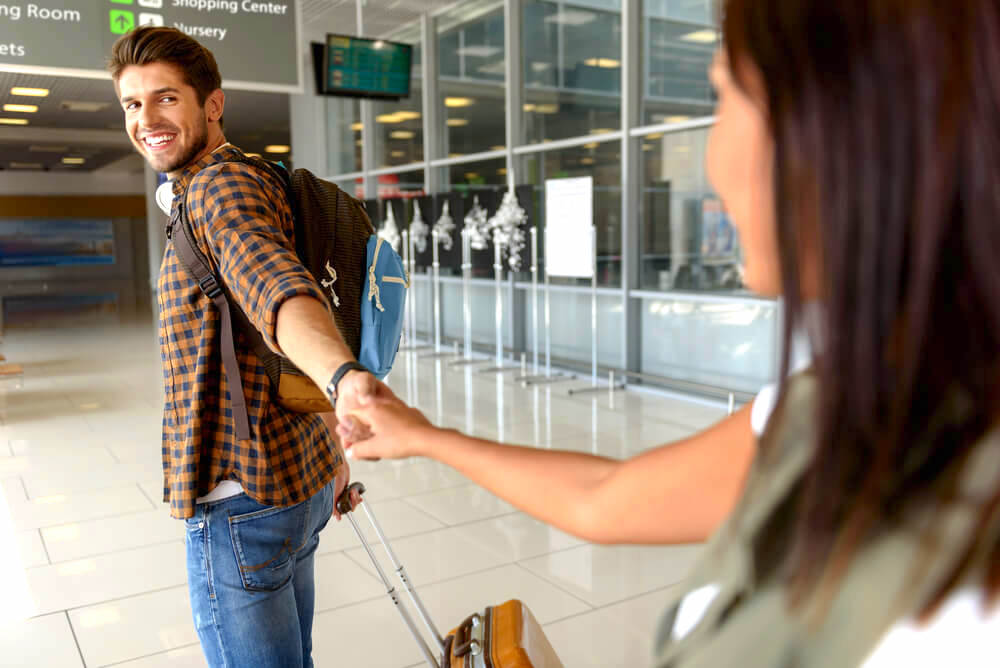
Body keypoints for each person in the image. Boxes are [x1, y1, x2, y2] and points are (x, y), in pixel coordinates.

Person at [342, 0, 1000, 665]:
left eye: (725, 95)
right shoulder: (846, 403)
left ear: (835, 124)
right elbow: (607, 500)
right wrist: (424, 437)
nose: (713, 163)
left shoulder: (965, 608)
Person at [108, 27, 371, 667]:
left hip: (241, 506)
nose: (147, 120)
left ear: (212, 105)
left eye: (165, 99)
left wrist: (343, 377)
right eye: (132, 105)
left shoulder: (218, 189)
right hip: (299, 478)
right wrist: (332, 444)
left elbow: (275, 287)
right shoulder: (259, 177)